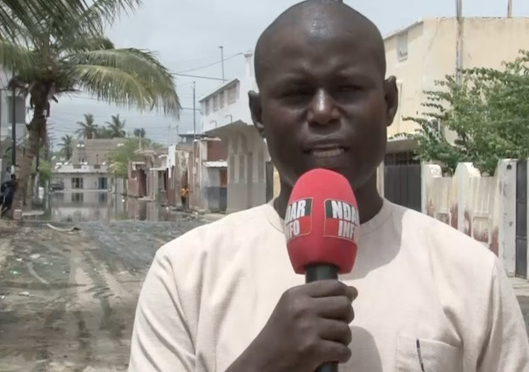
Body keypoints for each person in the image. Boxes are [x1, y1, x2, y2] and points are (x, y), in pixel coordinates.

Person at [128, 1, 529, 371]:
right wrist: (263, 363)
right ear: (259, 114)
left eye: (347, 89)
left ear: (389, 102)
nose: (322, 112)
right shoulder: (184, 274)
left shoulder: (472, 277)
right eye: (297, 93)